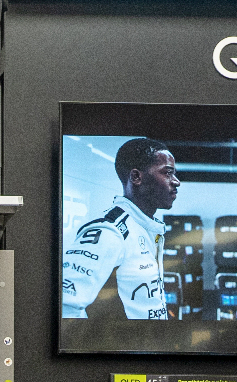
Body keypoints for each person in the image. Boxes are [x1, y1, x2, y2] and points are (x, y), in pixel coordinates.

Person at [62, 137, 179, 320]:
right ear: (136, 177)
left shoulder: (145, 228)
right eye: (168, 173)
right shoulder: (110, 232)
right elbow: (65, 303)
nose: (176, 182)